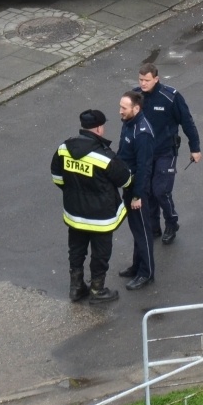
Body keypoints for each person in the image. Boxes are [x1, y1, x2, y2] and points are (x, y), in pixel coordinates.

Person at [51, 109, 131, 305]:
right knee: (100, 253)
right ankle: (97, 289)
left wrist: (73, 193)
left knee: (76, 249)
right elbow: (125, 180)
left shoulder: (63, 148)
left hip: (75, 214)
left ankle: (76, 287)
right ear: (98, 128)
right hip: (100, 218)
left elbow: (57, 178)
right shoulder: (105, 157)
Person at [136, 63, 201, 245]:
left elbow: (187, 122)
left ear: (156, 79)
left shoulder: (170, 97)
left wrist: (195, 148)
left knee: (161, 191)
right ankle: (154, 226)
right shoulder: (136, 96)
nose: (143, 84)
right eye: (140, 80)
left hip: (165, 151)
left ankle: (172, 223)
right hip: (145, 154)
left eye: (147, 80)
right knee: (147, 192)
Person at [117, 90, 157, 290]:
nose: (120, 111)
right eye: (120, 107)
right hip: (129, 186)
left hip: (137, 190)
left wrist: (137, 195)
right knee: (136, 229)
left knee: (142, 231)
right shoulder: (128, 124)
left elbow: (144, 167)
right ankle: (136, 266)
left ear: (136, 108)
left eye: (124, 108)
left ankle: (146, 273)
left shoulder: (142, 133)